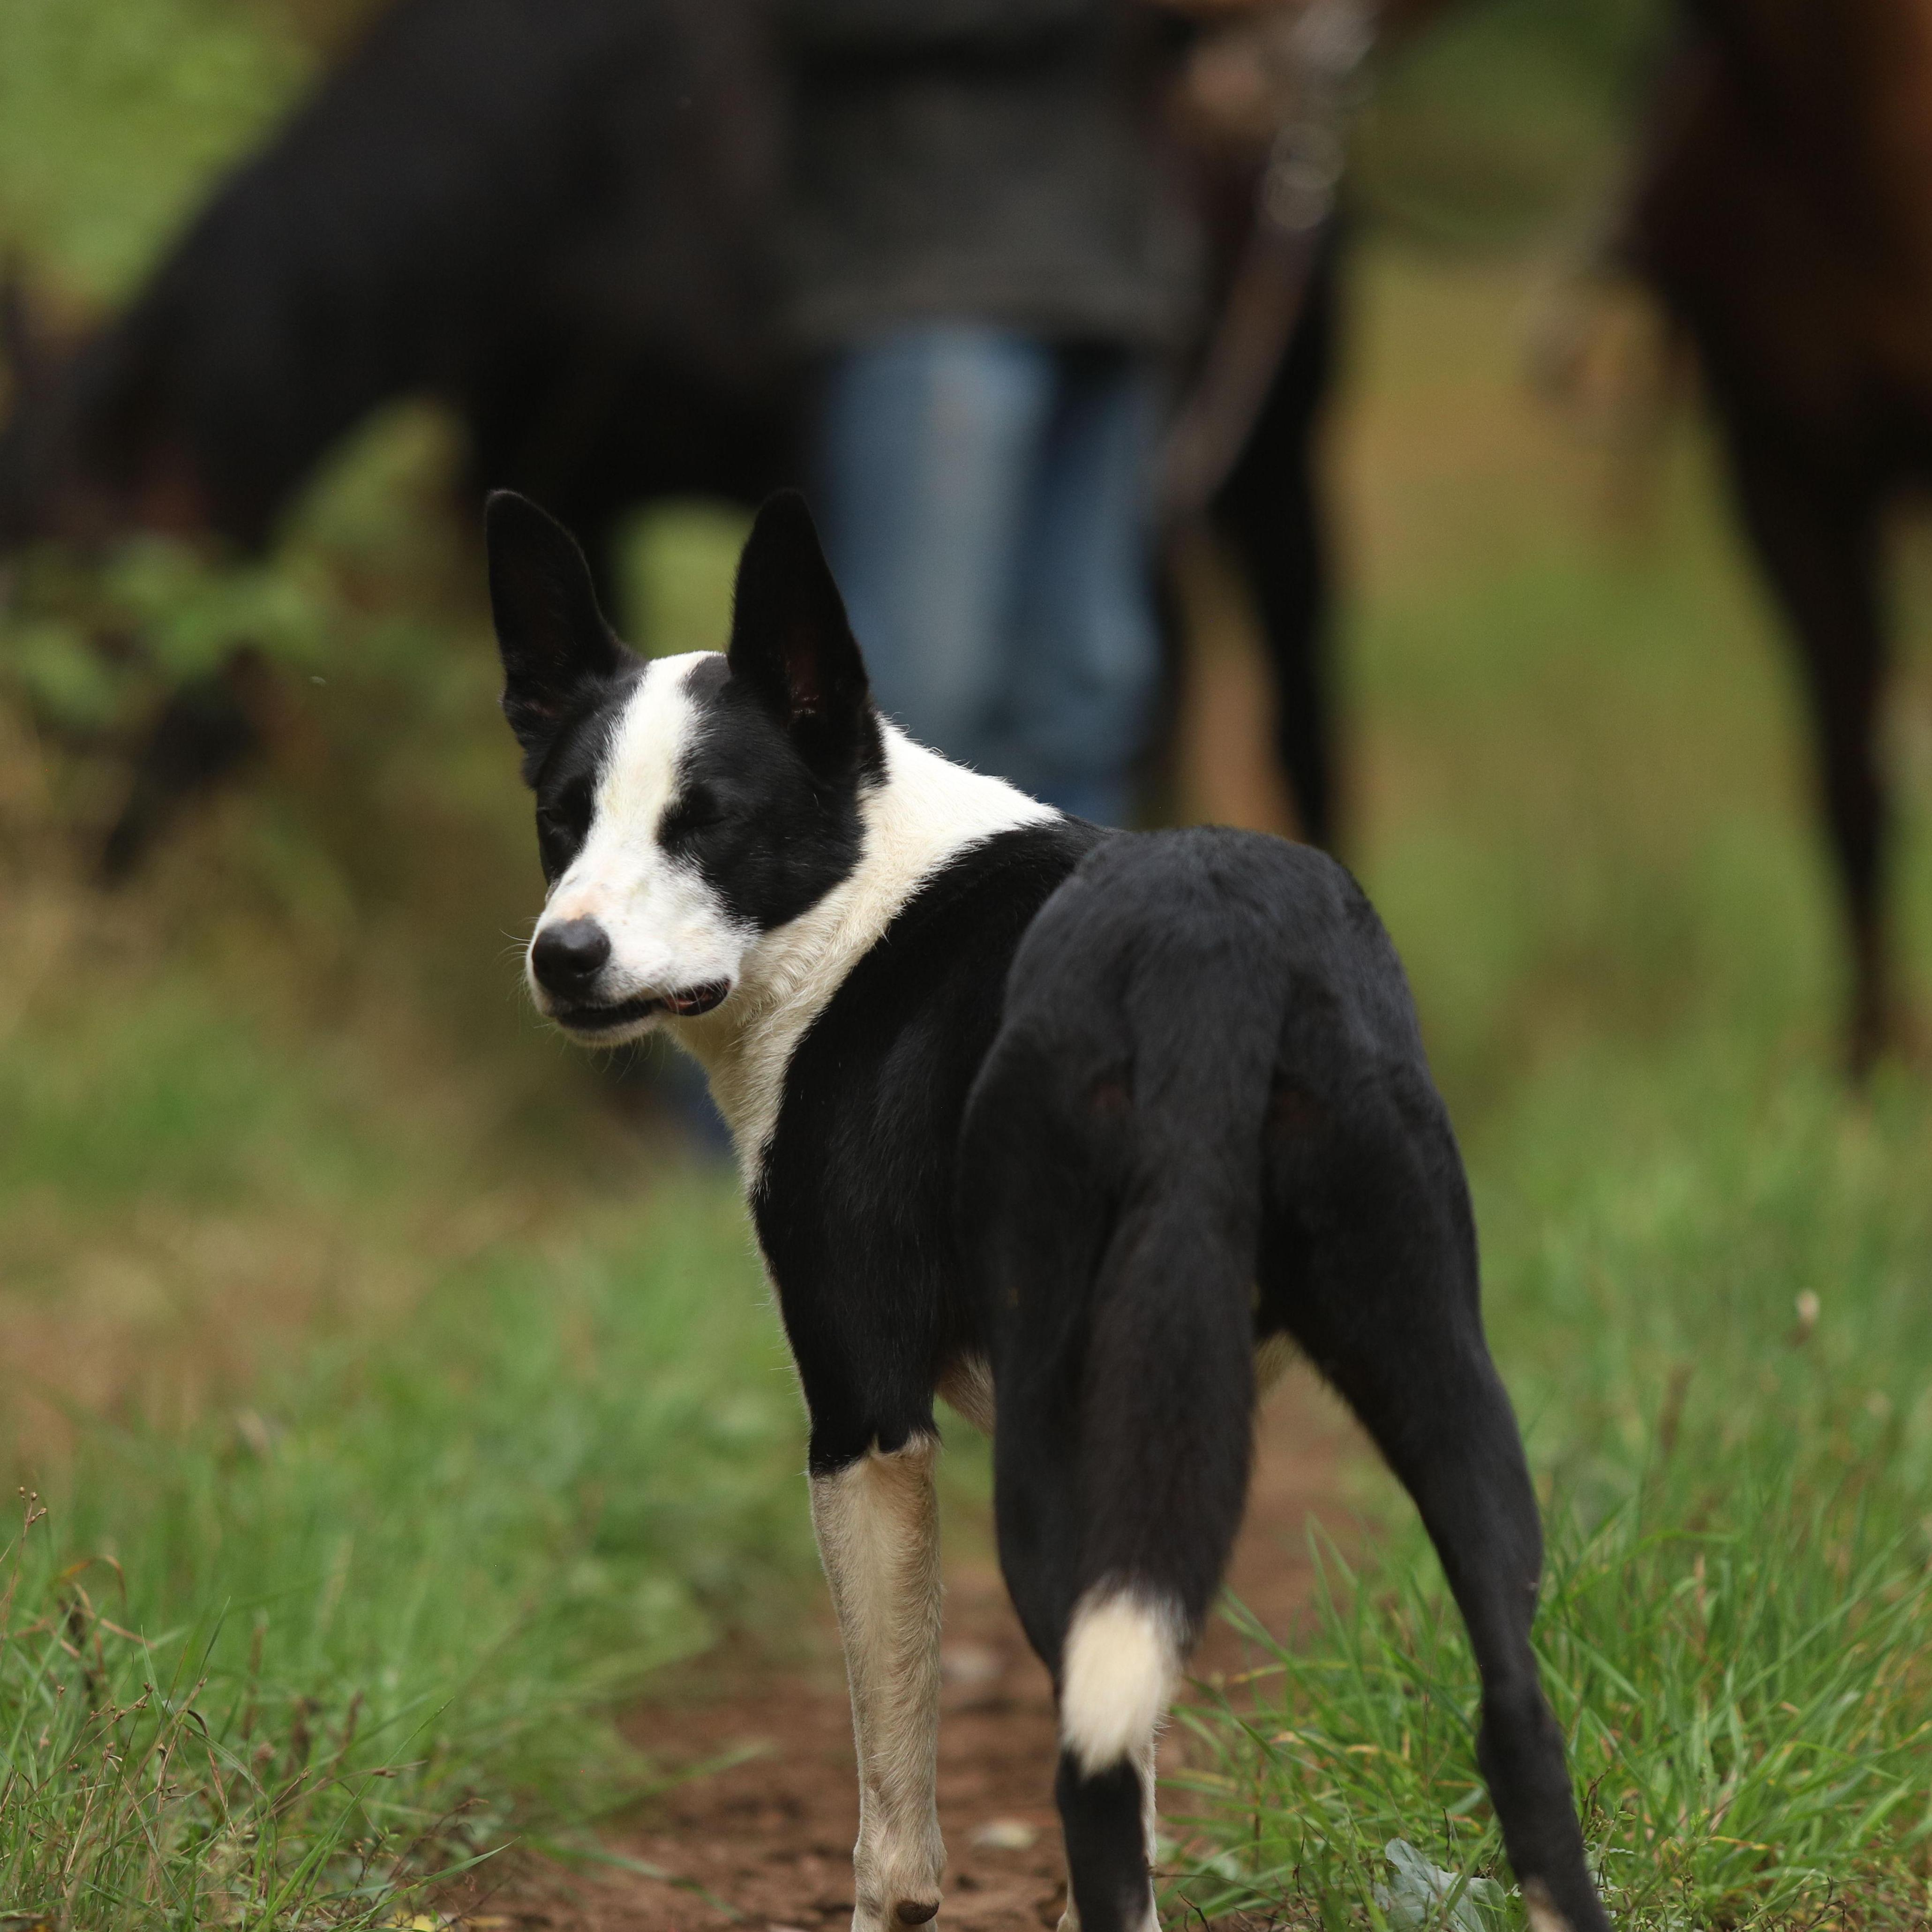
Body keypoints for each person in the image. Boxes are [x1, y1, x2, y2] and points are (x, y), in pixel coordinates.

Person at [776, 0, 1200, 824]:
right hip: (924, 276)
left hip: (1109, 281)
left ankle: (1075, 948)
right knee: (915, 710)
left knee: (1090, 689)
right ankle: (893, 952)